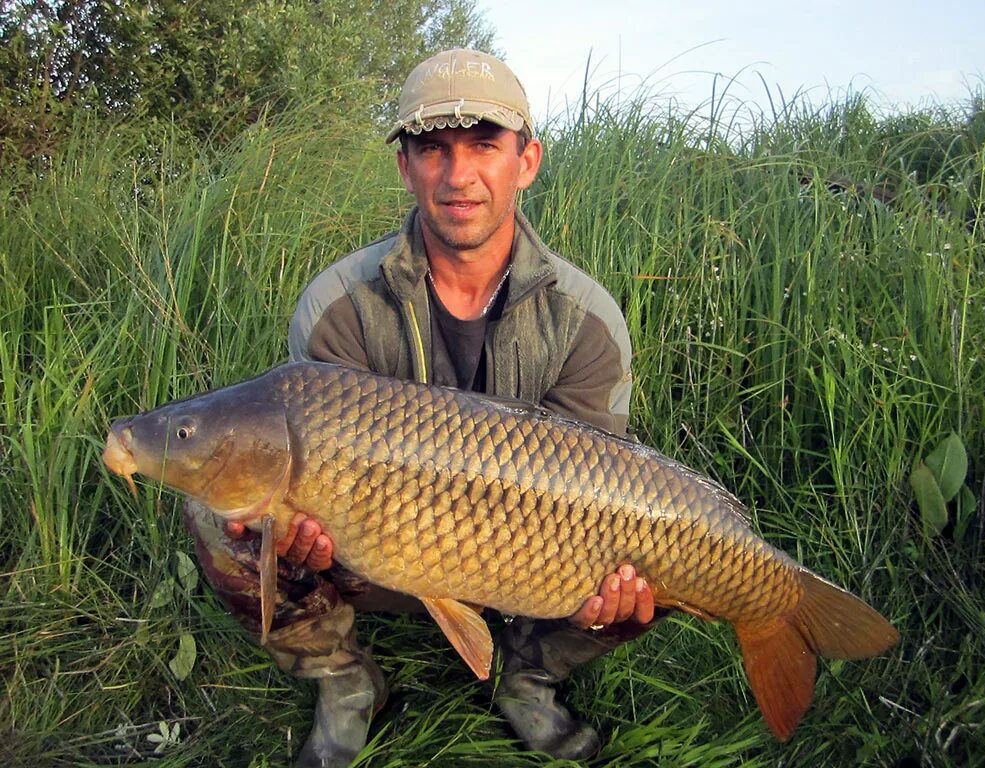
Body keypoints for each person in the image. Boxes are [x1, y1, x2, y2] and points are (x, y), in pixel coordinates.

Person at [184, 48, 656, 767]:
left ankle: (527, 678)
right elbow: (297, 470)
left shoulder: (586, 320)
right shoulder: (337, 305)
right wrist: (300, 528)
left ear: (526, 161)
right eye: (432, 149)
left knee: (657, 557)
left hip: (534, 556)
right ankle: (347, 686)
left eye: (483, 146)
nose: (458, 174)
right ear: (405, 167)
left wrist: (605, 584)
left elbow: (598, 485)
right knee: (224, 512)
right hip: (379, 543)